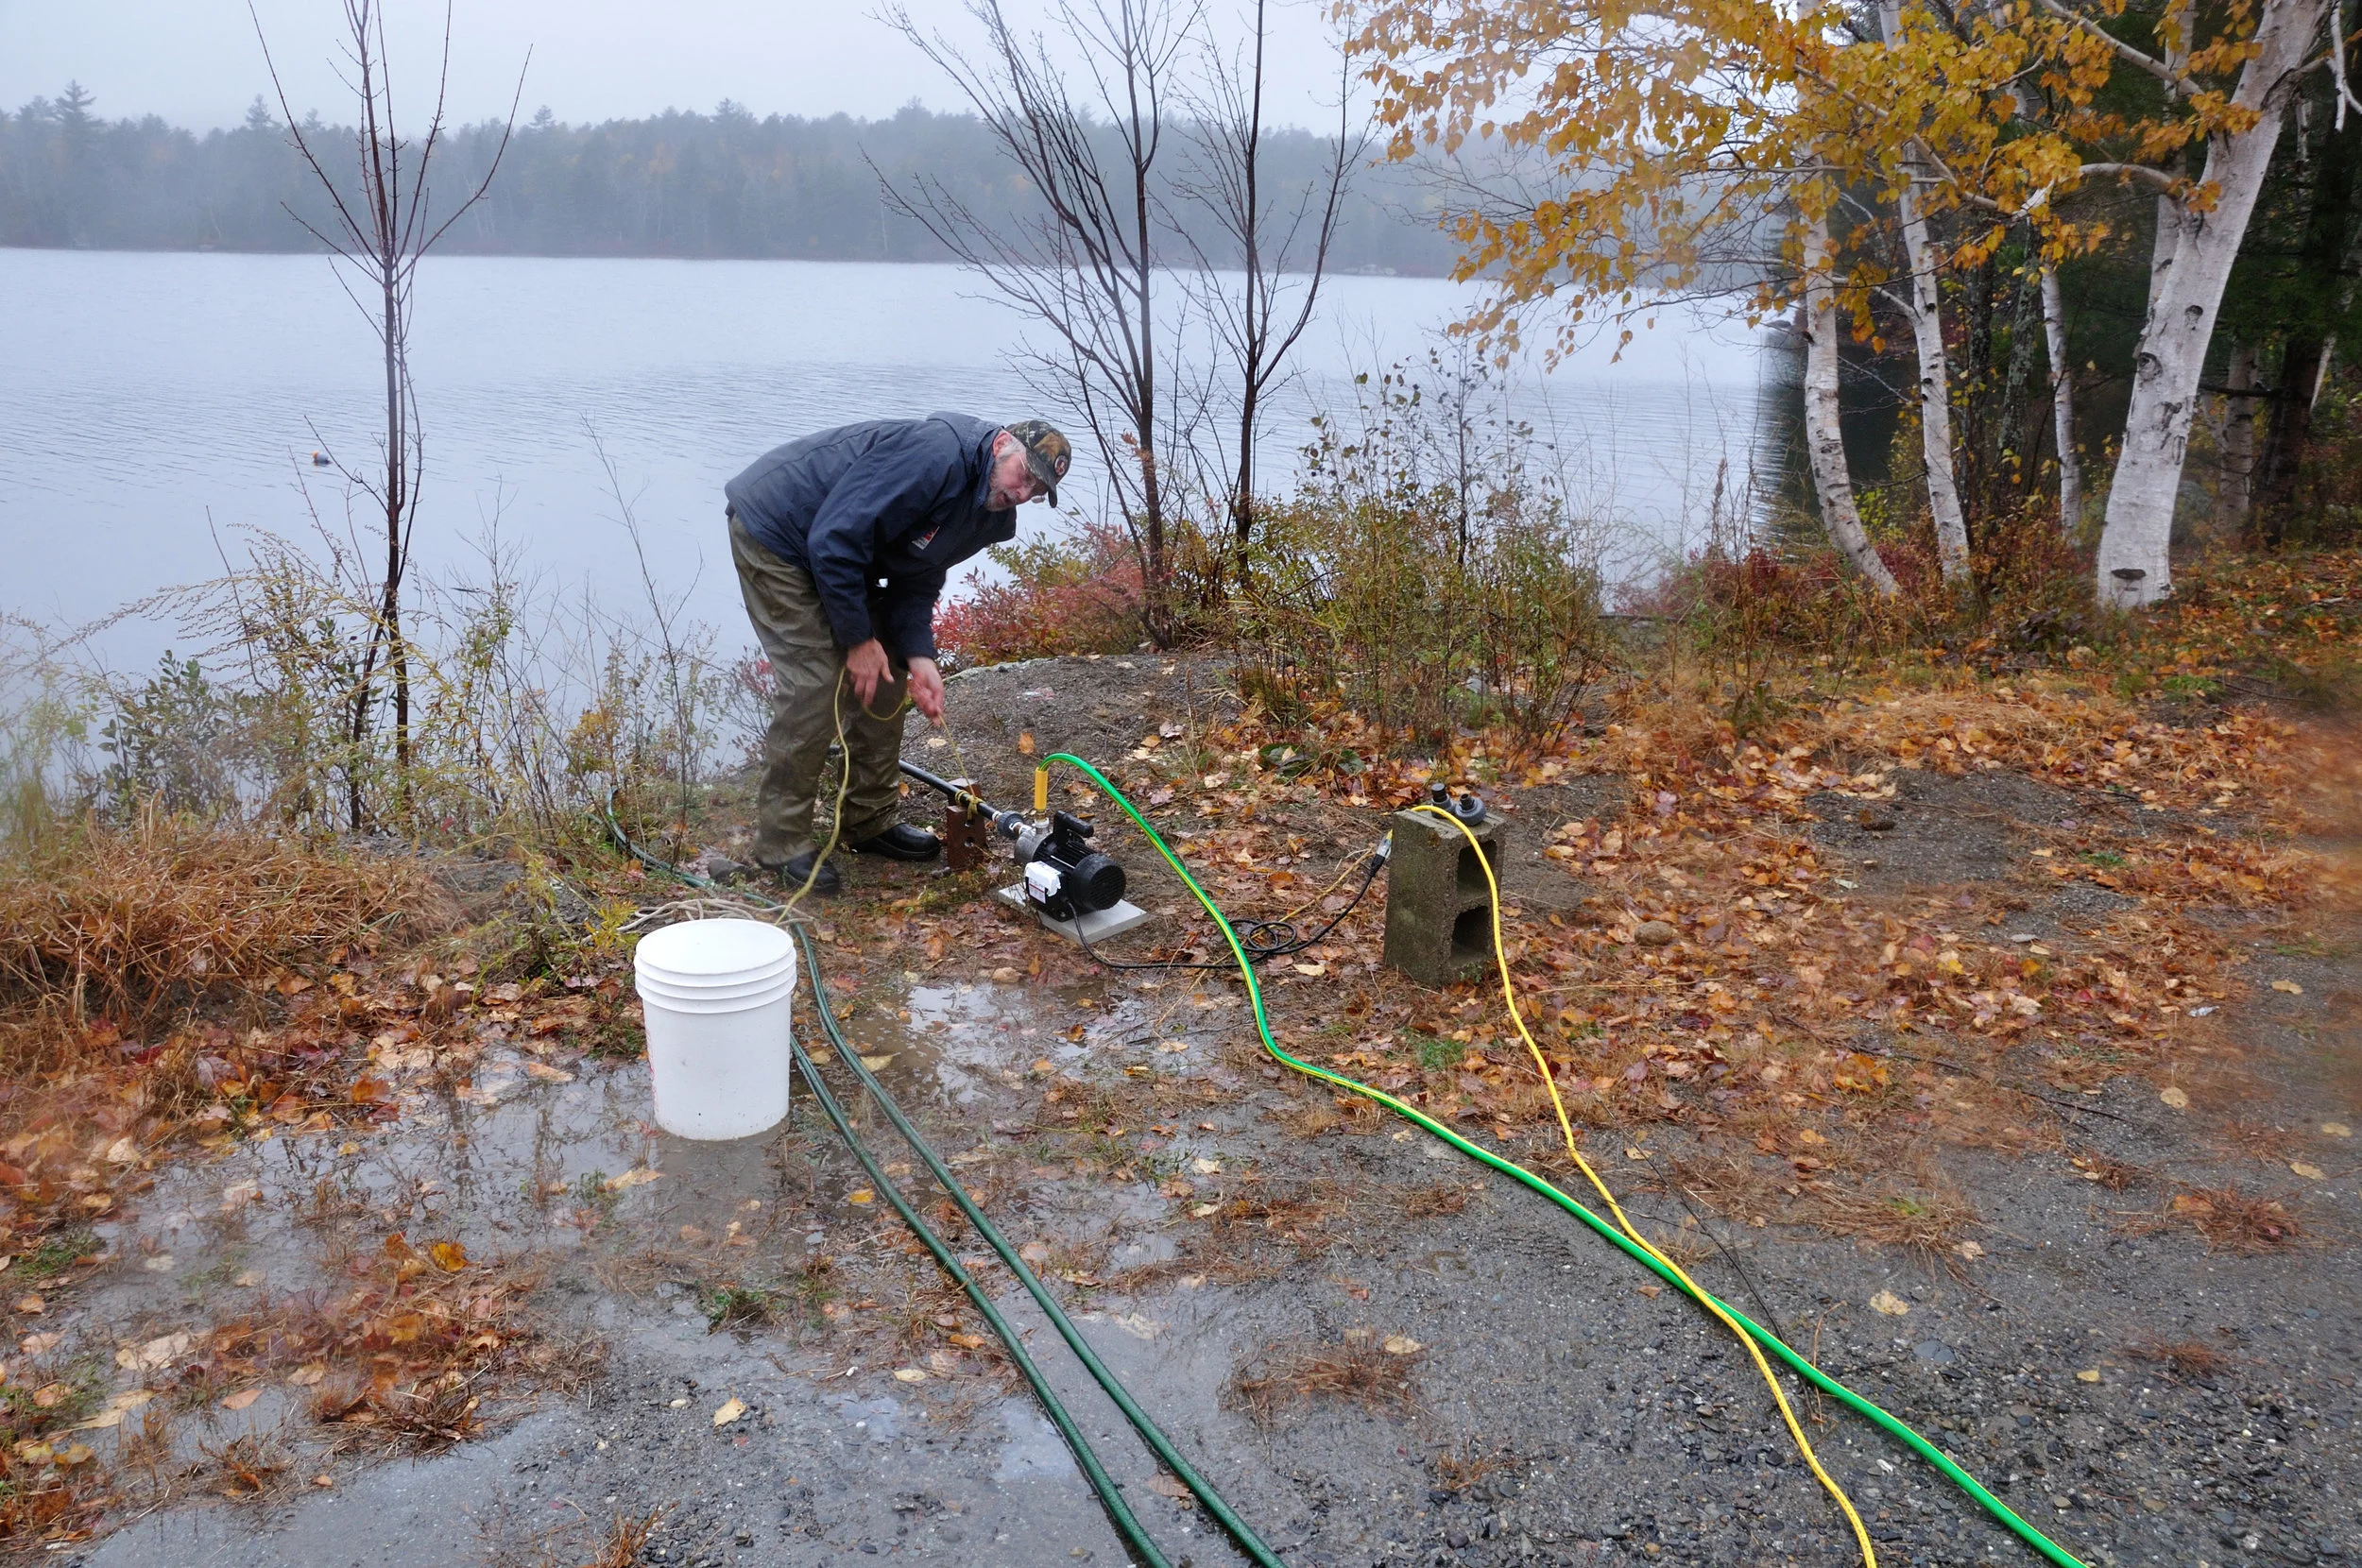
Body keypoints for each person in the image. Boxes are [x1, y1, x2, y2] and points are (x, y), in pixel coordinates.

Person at [724, 413, 1071, 894]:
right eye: (1025, 476)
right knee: (815, 681)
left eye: (1038, 490)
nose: (1024, 493)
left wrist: (919, 654)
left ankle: (867, 821)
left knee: (888, 675)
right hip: (779, 531)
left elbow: (919, 574)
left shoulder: (986, 511)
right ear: (1001, 447)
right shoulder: (933, 458)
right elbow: (835, 538)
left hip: (837, 548)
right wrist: (857, 640)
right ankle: (781, 843)